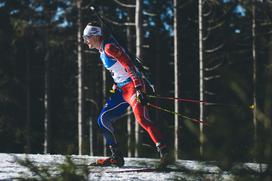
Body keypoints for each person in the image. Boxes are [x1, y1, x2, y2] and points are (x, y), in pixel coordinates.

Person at [83, 22, 170, 167]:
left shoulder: (109, 47)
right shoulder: (101, 51)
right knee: (103, 119)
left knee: (143, 119)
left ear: (96, 35)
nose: (85, 41)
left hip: (132, 87)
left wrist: (139, 88)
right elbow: (118, 70)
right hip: (122, 90)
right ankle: (116, 157)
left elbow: (129, 65)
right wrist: (116, 83)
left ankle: (165, 154)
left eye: (87, 37)